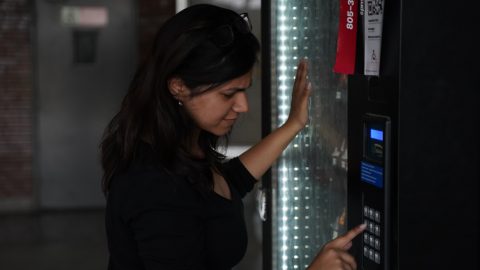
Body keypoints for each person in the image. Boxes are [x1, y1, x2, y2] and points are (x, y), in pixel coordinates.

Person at [100, 4, 365, 270]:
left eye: (244, 90)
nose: (243, 106)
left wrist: (293, 124)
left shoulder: (184, 148)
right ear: (179, 87)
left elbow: (225, 186)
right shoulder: (154, 188)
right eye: (228, 94)